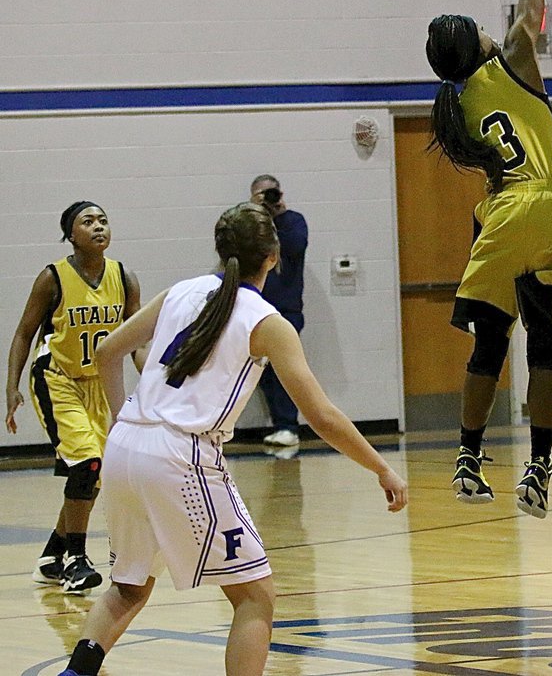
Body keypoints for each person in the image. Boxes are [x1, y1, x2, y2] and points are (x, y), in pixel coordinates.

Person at [52, 202, 407, 676]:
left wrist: (122, 422)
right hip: (182, 454)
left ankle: (74, 673)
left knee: (130, 587)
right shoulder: (266, 321)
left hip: (126, 447)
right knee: (255, 595)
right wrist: (380, 466)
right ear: (273, 257)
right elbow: (320, 414)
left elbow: (108, 351)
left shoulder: (180, 292)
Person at [426, 0, 552, 517]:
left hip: (496, 213)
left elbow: (519, 145)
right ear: (479, 42)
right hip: (549, 208)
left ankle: (468, 455)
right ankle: (540, 469)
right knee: (544, 346)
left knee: (489, 343)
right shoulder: (517, 54)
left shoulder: (455, 106)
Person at [6, 202, 144, 594]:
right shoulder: (53, 278)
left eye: (103, 220)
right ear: (71, 234)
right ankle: (76, 561)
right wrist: (11, 386)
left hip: (99, 384)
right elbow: (23, 333)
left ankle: (53, 553)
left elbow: (135, 340)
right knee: (87, 462)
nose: (98, 226)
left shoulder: (124, 277)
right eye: (88, 222)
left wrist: (155, 376)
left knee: (96, 473)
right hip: (57, 379)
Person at [248, 175, 308, 449]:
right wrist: (257, 214)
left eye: (272, 193)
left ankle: (288, 426)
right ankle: (279, 424)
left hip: (286, 311)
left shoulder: (293, 221)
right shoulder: (250, 226)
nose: (269, 199)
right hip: (254, 309)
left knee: (285, 370)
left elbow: (296, 245)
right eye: (262, 195)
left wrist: (279, 214)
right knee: (261, 373)